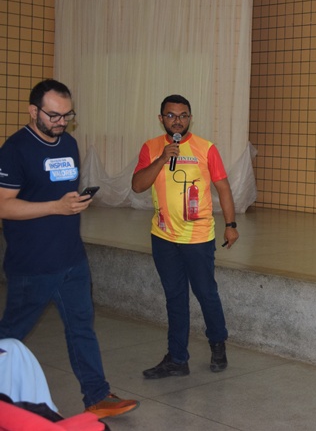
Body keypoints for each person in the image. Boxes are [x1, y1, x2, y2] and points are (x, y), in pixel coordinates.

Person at [0, 79, 139, 418]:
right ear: (33, 111)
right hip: (32, 264)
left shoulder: (69, 144)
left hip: (72, 259)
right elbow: (3, 205)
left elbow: (61, 193)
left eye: (68, 115)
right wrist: (55, 207)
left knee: (81, 327)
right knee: (10, 336)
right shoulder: (15, 149)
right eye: (54, 115)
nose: (62, 122)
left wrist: (75, 203)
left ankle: (97, 396)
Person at [132, 94, 239, 379]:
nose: (177, 121)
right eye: (171, 115)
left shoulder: (206, 148)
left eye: (183, 115)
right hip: (163, 236)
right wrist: (161, 159)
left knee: (205, 293)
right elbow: (138, 186)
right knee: (175, 297)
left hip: (198, 237)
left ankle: (218, 343)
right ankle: (177, 358)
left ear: (190, 118)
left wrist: (231, 224)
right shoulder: (151, 147)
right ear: (161, 119)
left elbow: (223, 188)